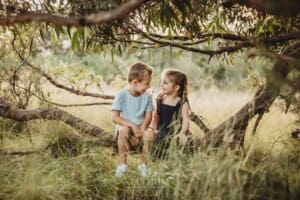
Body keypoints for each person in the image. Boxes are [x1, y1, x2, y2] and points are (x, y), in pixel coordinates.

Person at [112, 62, 154, 177]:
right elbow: (115, 117)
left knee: (150, 134)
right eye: (147, 83)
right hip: (125, 127)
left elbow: (148, 116)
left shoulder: (148, 96)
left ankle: (143, 166)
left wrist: (141, 131)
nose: (149, 86)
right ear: (135, 82)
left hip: (142, 127)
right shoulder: (121, 95)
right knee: (123, 130)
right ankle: (122, 165)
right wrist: (132, 126)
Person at [144, 68, 191, 160]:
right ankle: (155, 157)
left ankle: (176, 157)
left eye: (165, 83)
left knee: (181, 142)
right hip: (161, 132)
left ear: (176, 87)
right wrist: (152, 129)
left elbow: (186, 120)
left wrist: (182, 133)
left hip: (175, 132)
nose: (161, 85)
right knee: (153, 139)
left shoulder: (182, 102)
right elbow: (155, 118)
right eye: (161, 82)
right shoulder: (160, 99)